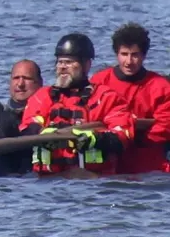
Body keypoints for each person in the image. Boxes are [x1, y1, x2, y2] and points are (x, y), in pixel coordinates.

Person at [19, 33, 134, 176]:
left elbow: (123, 134)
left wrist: (95, 138)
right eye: (60, 62)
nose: (62, 67)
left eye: (68, 62)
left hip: (93, 181)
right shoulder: (42, 97)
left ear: (86, 65)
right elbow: (28, 125)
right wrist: (42, 134)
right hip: (47, 182)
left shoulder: (106, 98)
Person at [88, 22, 170, 174]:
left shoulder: (161, 87)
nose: (129, 61)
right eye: (124, 54)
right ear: (117, 54)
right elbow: (89, 115)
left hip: (146, 161)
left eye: (135, 55)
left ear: (144, 55)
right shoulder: (99, 81)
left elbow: (164, 127)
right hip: (105, 157)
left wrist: (127, 136)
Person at [0, 60, 43, 176]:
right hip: (1, 181)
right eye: (16, 78)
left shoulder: (47, 112)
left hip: (36, 182)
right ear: (10, 82)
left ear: (40, 83)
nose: (20, 84)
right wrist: (6, 129)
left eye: (27, 78)